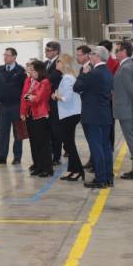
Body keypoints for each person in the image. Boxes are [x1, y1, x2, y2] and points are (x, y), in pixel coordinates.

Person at [74, 45, 115, 189]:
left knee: (96, 147)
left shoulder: (94, 73)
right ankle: (108, 177)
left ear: (97, 56)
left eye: (91, 54)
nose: (89, 56)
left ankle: (100, 179)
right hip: (104, 114)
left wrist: (84, 74)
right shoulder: (107, 72)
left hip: (93, 116)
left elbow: (76, 87)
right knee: (105, 147)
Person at [113, 41, 133, 179]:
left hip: (127, 109)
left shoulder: (126, 68)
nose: (115, 53)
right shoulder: (127, 66)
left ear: (124, 52)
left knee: (132, 139)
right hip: (128, 108)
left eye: (117, 50)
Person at [0, 47, 27, 165]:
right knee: (3, 132)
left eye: (7, 55)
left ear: (14, 57)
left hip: (17, 106)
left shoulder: (21, 71)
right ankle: (2, 157)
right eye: (4, 55)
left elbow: (25, 90)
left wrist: (24, 108)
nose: (5, 57)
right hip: (4, 107)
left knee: (18, 133)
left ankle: (17, 157)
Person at [52, 54, 83, 181]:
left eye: (59, 61)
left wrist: (56, 96)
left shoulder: (68, 78)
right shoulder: (66, 77)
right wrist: (57, 96)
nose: (56, 63)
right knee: (69, 143)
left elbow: (67, 98)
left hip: (70, 114)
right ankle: (72, 169)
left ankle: (78, 170)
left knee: (69, 144)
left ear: (65, 63)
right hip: (68, 113)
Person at [20, 60, 53, 177]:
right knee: (34, 142)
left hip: (41, 115)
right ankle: (39, 166)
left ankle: (47, 168)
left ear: (39, 71)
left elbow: (38, 98)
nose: (31, 72)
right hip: (31, 115)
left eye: (33, 70)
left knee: (43, 143)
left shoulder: (45, 82)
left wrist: (29, 97)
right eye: (30, 70)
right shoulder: (31, 81)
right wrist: (28, 99)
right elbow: (25, 97)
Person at [44, 41, 64, 165]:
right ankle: (50, 154)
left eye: (48, 50)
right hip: (45, 102)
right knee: (48, 131)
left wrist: (42, 80)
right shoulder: (45, 64)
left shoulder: (60, 63)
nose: (46, 52)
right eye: (45, 50)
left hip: (55, 101)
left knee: (56, 130)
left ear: (56, 51)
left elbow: (51, 78)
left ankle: (56, 157)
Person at [76, 44, 95, 172]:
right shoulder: (82, 68)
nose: (77, 57)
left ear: (87, 55)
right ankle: (92, 160)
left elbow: (80, 86)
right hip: (85, 106)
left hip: (92, 108)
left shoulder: (91, 68)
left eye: (79, 55)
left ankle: (96, 163)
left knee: (94, 138)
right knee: (90, 138)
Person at [98, 40, 118, 152]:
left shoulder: (114, 63)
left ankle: (110, 147)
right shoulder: (96, 62)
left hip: (109, 99)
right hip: (98, 99)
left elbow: (114, 82)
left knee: (109, 124)